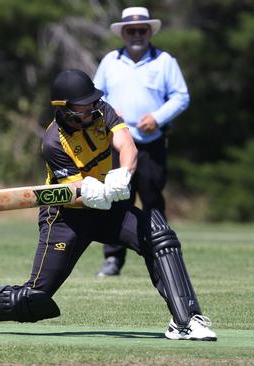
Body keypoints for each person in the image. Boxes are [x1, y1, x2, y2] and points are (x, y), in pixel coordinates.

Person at [0, 69, 216, 341]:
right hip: (66, 217)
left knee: (158, 233)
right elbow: (75, 192)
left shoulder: (103, 112)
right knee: (33, 299)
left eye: (93, 101)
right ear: (65, 109)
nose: (93, 107)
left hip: (108, 211)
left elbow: (127, 145)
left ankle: (187, 321)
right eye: (84, 105)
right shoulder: (53, 142)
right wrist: (98, 191)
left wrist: (123, 173)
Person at [93, 7, 189, 276]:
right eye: (131, 30)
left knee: (152, 199)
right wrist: (111, 113)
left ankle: (162, 254)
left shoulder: (164, 61)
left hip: (151, 143)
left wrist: (158, 117)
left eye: (142, 30)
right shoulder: (110, 60)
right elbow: (95, 96)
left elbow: (181, 96)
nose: (137, 35)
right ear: (123, 33)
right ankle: (113, 259)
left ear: (149, 32)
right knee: (115, 199)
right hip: (118, 143)